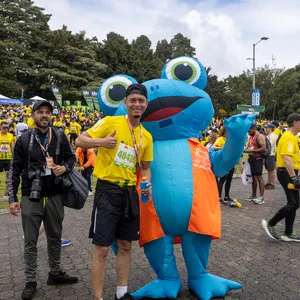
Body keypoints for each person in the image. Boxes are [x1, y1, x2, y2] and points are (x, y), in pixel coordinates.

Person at [75, 84, 153, 300]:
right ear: (125, 103)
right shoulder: (110, 122)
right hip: (107, 191)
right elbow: (80, 140)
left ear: (146, 105)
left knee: (126, 245)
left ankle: (121, 293)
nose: (137, 104)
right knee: (102, 248)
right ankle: (98, 298)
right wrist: (102, 142)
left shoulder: (146, 136)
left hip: (129, 193)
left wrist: (146, 183)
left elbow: (145, 166)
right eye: (133, 100)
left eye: (141, 101)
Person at [8, 100, 78, 300]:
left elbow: (71, 158)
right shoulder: (24, 140)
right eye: (40, 112)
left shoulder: (58, 135)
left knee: (55, 237)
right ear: (33, 115)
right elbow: (14, 170)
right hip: (31, 196)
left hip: (55, 195)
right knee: (31, 241)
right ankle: (30, 281)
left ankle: (55, 273)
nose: (44, 116)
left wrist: (64, 168)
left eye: (47, 112)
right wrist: (12, 198)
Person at [262, 113, 300, 242]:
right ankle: (271, 223)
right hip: (287, 172)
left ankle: (288, 232)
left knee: (295, 203)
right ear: (295, 122)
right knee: (293, 203)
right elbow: (287, 158)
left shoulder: (291, 137)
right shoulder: (289, 137)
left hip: (289, 171)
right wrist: (294, 178)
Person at [212, 127, 235, 205]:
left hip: (231, 162)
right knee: (222, 180)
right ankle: (218, 197)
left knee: (229, 180)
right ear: (225, 131)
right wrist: (221, 148)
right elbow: (213, 147)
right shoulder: (220, 139)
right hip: (223, 162)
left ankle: (226, 196)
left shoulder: (230, 139)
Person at [244, 123, 266, 204]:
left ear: (253, 129)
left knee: (259, 177)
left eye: (249, 130)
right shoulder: (250, 137)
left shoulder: (260, 136)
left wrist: (253, 151)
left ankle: (261, 197)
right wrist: (245, 150)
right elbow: (247, 148)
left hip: (258, 159)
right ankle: (253, 195)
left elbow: (264, 148)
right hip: (251, 159)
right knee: (253, 178)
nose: (248, 132)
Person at [0, 122, 14, 197]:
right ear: (0, 127)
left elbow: (12, 147)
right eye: (4, 128)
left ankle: (8, 191)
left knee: (9, 176)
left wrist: (13, 156)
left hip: (8, 158)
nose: (5, 129)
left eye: (7, 128)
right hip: (0, 158)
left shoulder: (11, 135)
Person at [264, 123, 278, 189]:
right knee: (269, 170)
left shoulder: (273, 136)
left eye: (267, 128)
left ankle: (272, 183)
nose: (266, 129)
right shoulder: (268, 136)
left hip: (271, 154)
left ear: (270, 128)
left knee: (271, 170)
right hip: (268, 154)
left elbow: (270, 144)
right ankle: (269, 182)